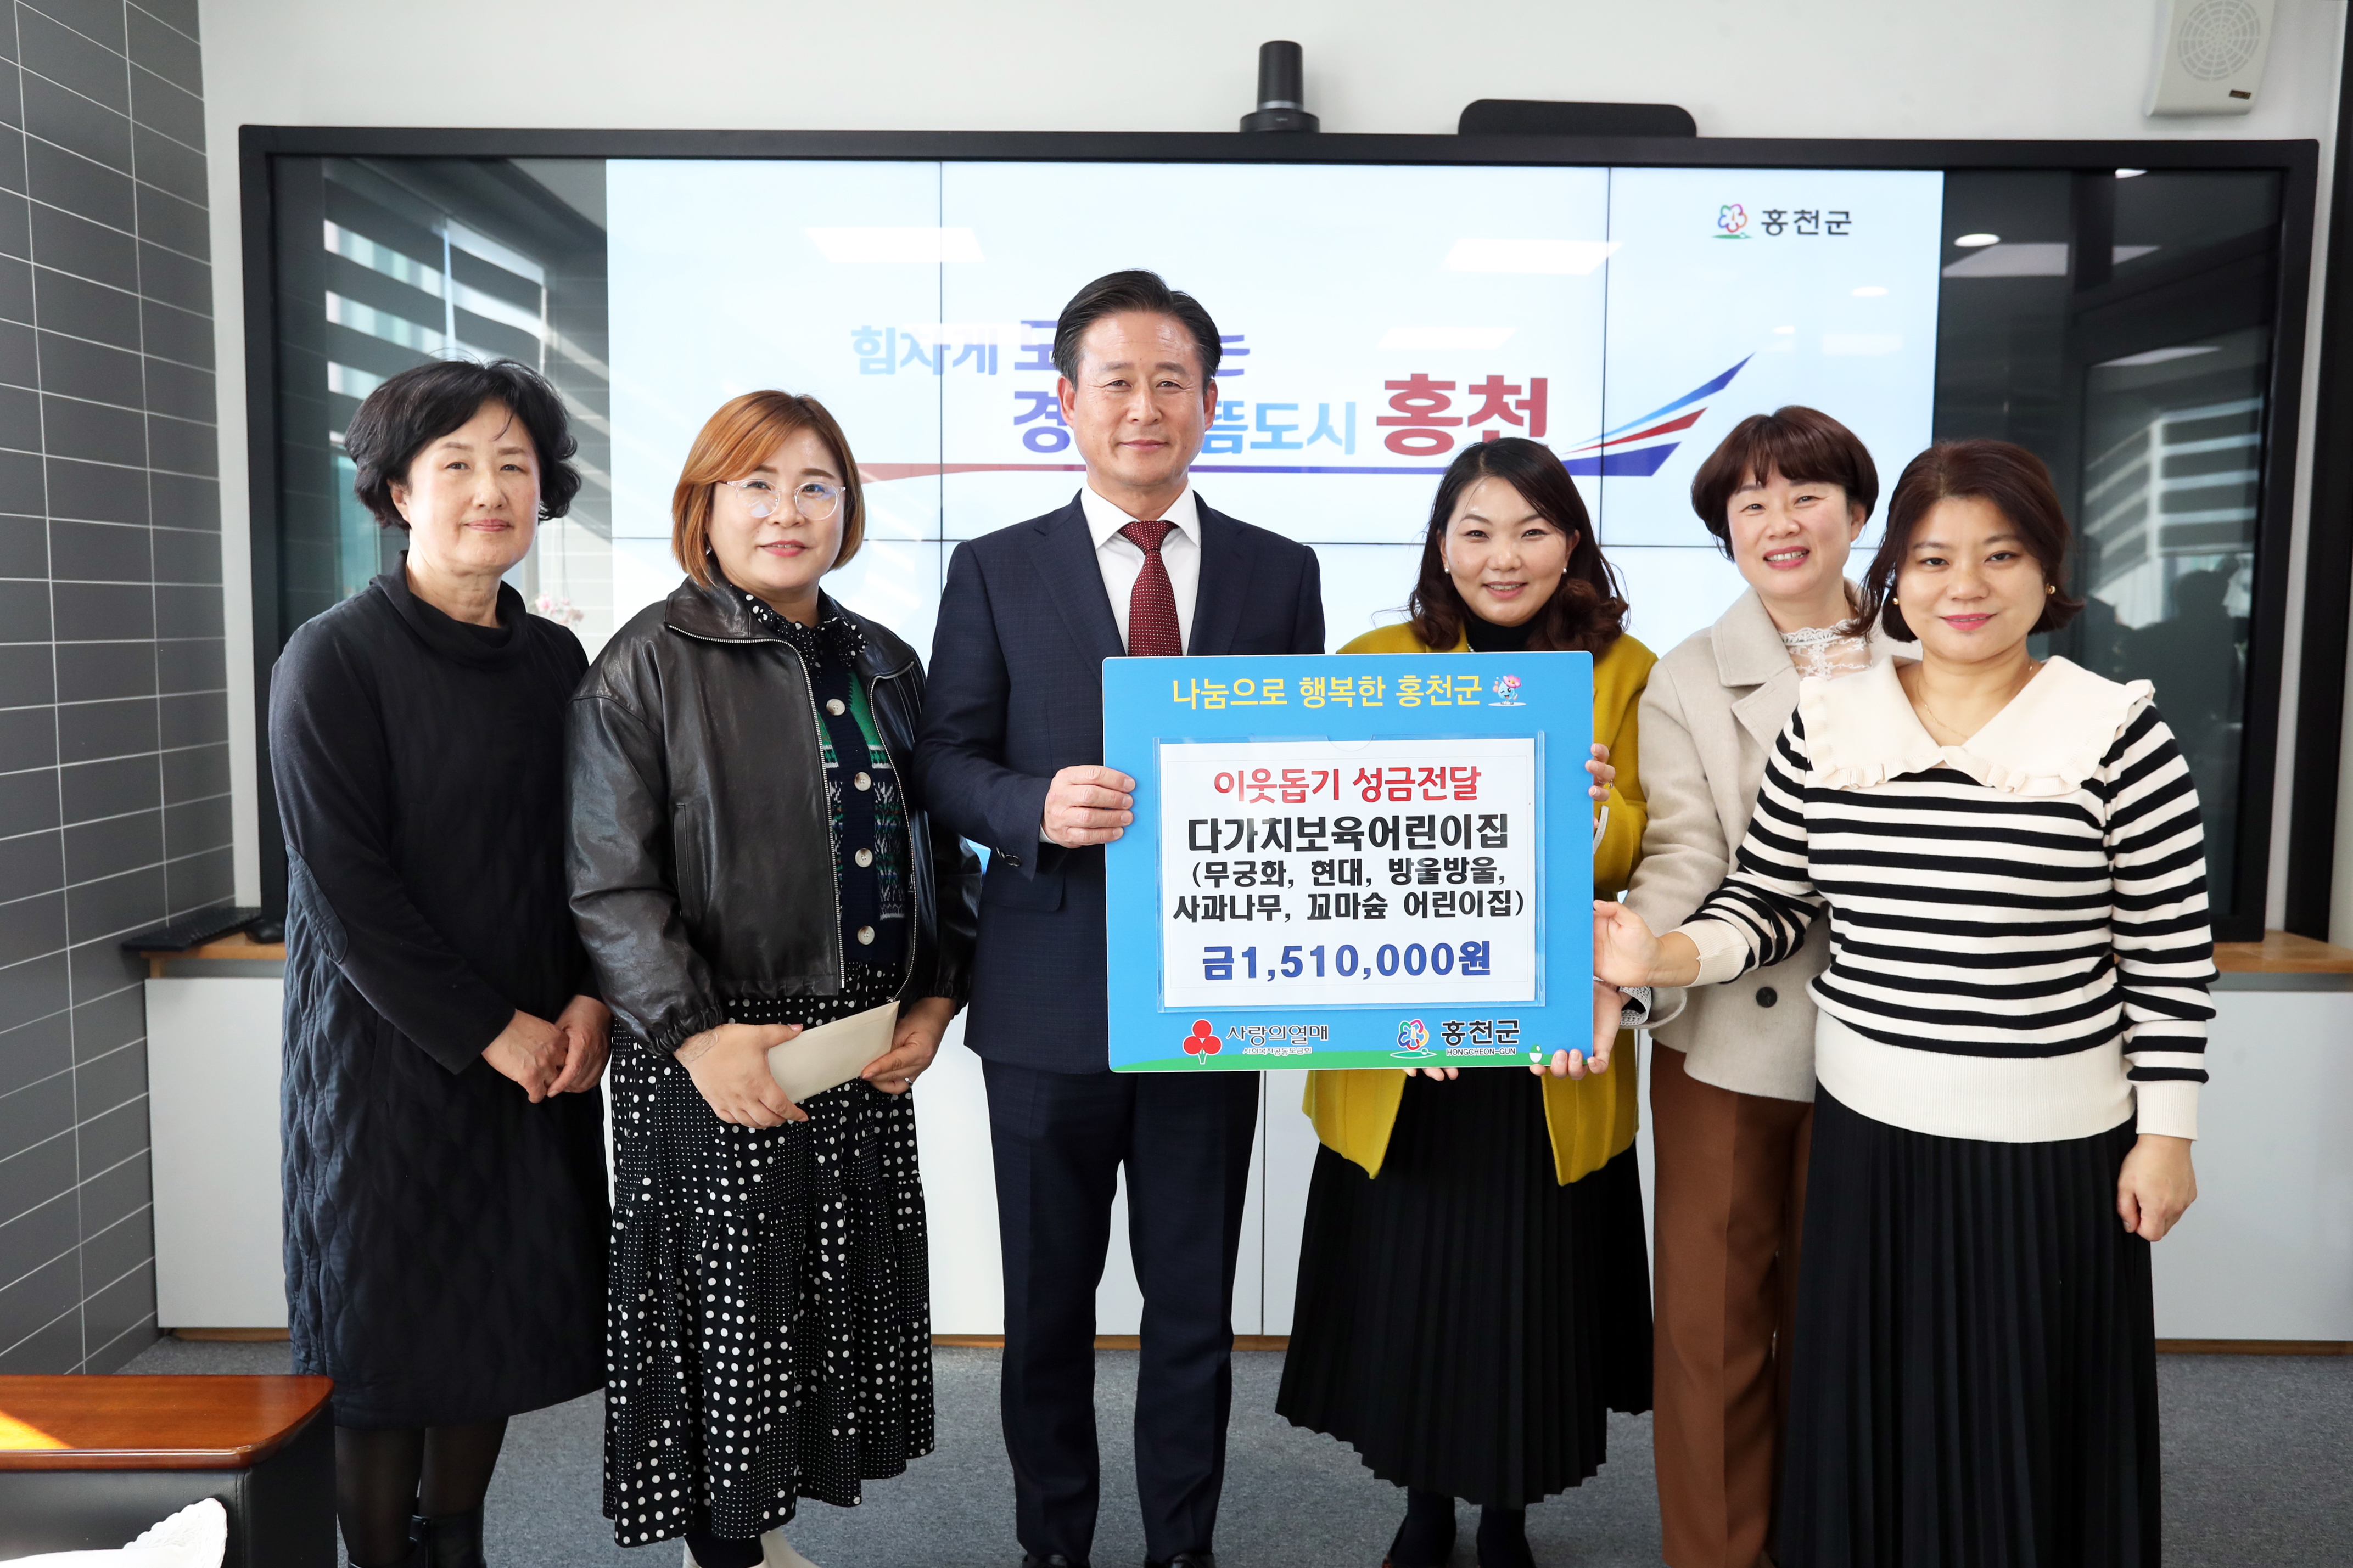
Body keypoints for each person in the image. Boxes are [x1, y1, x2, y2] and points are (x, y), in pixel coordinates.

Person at [1593, 439, 2210, 1567]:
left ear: (2048, 569)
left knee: (2024, 1416)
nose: (1963, 584)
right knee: (1873, 1416)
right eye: (1932, 559)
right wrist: (1661, 954)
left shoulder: (2117, 730)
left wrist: (2165, 1134)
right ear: (1895, 576)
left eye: (1999, 554)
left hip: (2053, 1149)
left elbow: (2166, 957)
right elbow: (1771, 897)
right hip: (1869, 1138)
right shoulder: (1831, 722)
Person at [915, 269, 1324, 1568]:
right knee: (1045, 1308)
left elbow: (1311, 769)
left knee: (1193, 1307)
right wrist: (1032, 805)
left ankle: (1181, 1547)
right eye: (1117, 382)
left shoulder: (1278, 572)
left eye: (1169, 381)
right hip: (1047, 998)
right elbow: (944, 758)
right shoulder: (995, 568)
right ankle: (1054, 1544)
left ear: (1208, 401)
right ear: (1067, 402)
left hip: (1215, 999)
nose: (1143, 407)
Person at [567, 391, 981, 1568]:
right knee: (730, 1312)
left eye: (814, 485)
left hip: (854, 1042)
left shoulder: (883, 659)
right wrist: (698, 1037)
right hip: (716, 1048)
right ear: (704, 505)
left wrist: (935, 999)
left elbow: (937, 847)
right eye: (754, 484)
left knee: (814, 1307)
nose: (786, 510)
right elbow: (608, 883)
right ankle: (725, 1548)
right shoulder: (646, 661)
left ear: (846, 509)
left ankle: (759, 1531)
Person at [1274, 437, 1654, 1568]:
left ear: (1571, 543)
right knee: (1410, 1290)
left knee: (1524, 1299)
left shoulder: (1624, 671)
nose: (1505, 556)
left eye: (1533, 531)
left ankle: (1506, 1516)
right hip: (1401, 1051)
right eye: (1477, 531)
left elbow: (1646, 853)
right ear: (1440, 546)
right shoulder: (1373, 662)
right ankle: (1423, 1504)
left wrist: (1595, 814)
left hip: (1548, 1055)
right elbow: (1320, 846)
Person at [270, 358, 612, 1568]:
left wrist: (589, 998)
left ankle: (453, 1541)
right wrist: (495, 1031)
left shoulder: (556, 662)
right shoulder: (332, 659)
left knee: (493, 1323)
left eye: (514, 465)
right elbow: (350, 896)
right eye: (457, 463)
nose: (490, 490)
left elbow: (595, 854)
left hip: (541, 1054)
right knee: (381, 1344)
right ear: (398, 490)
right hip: (386, 1067)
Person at [1624, 407, 1887, 1568]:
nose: (1781, 521)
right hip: (1730, 1035)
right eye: (1751, 503)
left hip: (1904, 1041)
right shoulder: (1686, 674)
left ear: (1858, 512)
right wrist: (1636, 957)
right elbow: (1682, 850)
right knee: (1711, 1326)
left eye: (1807, 494)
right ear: (1725, 532)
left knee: (1856, 1321)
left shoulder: (1934, 646)